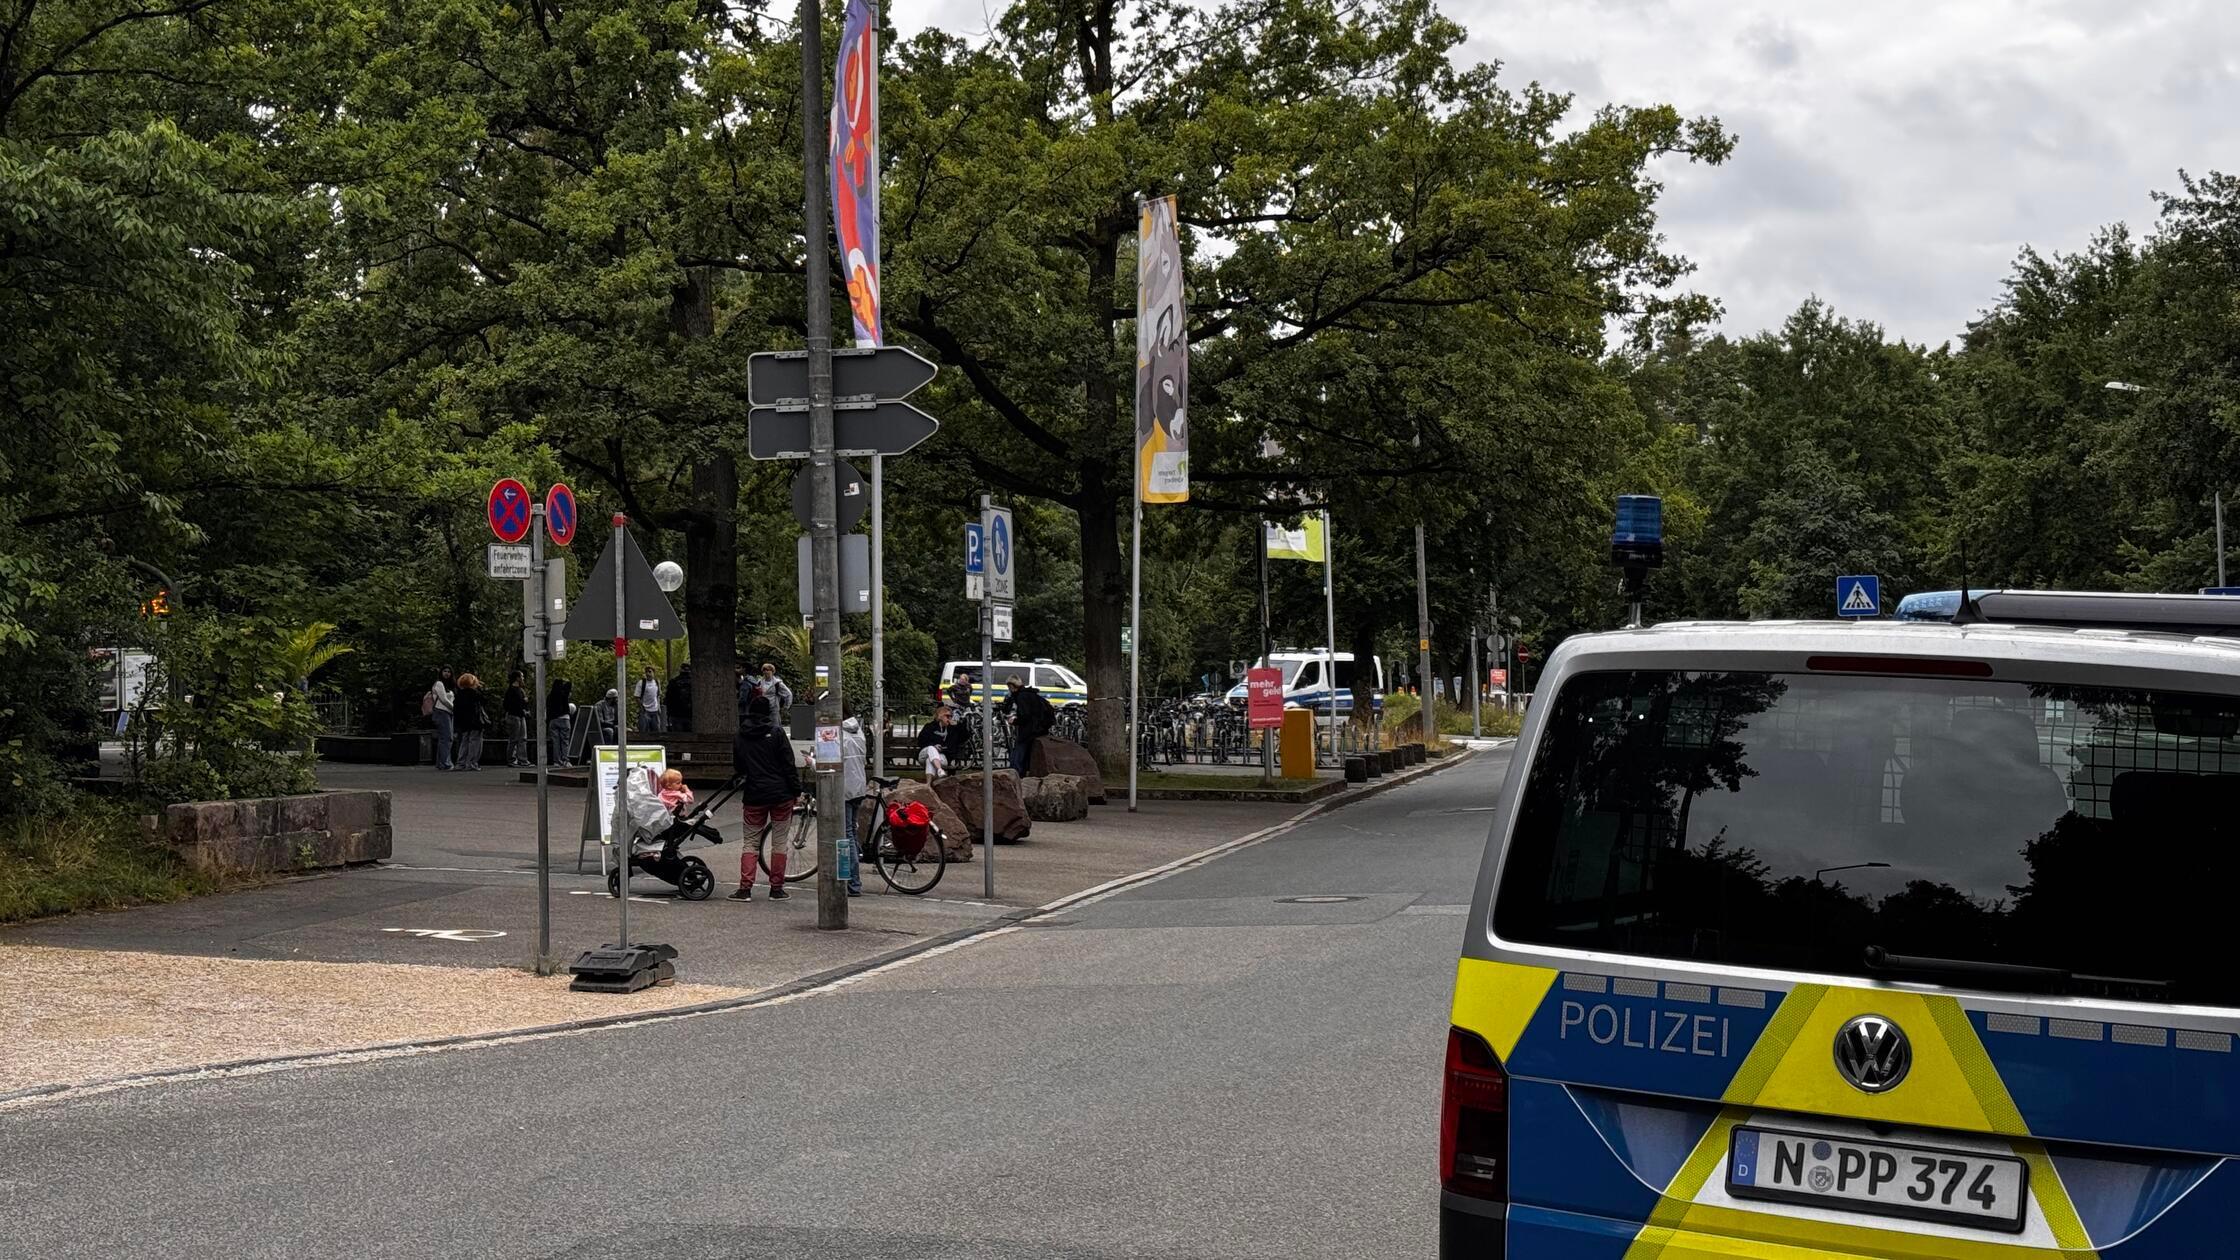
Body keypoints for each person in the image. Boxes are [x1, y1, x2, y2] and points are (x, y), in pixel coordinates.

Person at [729, 695, 801, 901]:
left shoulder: (741, 735)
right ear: (769, 712)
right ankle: (776, 888)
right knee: (779, 841)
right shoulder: (777, 733)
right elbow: (788, 764)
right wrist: (796, 790)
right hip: (781, 794)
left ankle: (745, 888)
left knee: (750, 842)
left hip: (754, 794)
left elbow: (739, 767)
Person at [999, 673, 1055, 774]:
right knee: (1026, 751)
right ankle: (1023, 771)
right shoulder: (1030, 694)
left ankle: (1016, 773)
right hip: (1039, 728)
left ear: (1012, 686)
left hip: (1030, 729)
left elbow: (1025, 715)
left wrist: (1015, 721)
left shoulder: (1021, 697)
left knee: (1019, 752)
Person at [839, 715, 867, 896]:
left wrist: (812, 763)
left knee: (846, 834)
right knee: (852, 832)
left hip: (845, 789)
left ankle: (853, 882)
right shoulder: (858, 732)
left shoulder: (839, 735)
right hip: (858, 786)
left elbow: (829, 762)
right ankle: (852, 878)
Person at [915, 703, 968, 779]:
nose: (949, 718)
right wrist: (934, 745)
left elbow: (965, 737)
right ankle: (939, 769)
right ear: (940, 716)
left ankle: (929, 784)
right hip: (924, 753)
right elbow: (921, 741)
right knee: (931, 748)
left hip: (942, 756)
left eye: (951, 716)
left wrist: (958, 725)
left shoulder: (953, 729)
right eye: (947, 716)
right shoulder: (929, 727)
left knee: (929, 761)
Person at [453, 673, 488, 771]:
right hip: (475, 721)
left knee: (464, 741)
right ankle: (472, 763)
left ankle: (461, 763)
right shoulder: (475, 693)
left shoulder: (459, 694)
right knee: (474, 742)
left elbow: (456, 710)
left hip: (464, 722)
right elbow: (484, 701)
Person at [426, 667, 456, 771]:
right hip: (441, 711)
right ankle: (445, 763)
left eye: (449, 672)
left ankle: (441, 762)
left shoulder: (449, 686)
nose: (447, 673)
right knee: (447, 737)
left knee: (444, 738)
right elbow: (443, 699)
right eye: (445, 671)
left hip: (448, 713)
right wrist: (454, 708)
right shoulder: (439, 684)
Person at [751, 663, 793, 730]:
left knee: (775, 728)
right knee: (763, 728)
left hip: (773, 709)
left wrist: (786, 707)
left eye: (768, 670)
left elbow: (788, 694)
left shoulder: (777, 683)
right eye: (764, 670)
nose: (766, 672)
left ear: (772, 671)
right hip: (762, 709)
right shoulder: (759, 682)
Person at [503, 671, 530, 767]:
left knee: (522, 738)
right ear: (517, 678)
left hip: (521, 716)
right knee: (514, 739)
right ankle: (512, 759)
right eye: (522, 676)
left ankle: (522, 760)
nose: (523, 678)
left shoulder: (521, 690)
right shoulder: (511, 691)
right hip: (514, 716)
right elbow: (507, 705)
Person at [545, 678, 574, 766]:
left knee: (556, 742)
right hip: (564, 719)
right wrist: (565, 680)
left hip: (553, 721)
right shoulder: (563, 694)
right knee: (565, 741)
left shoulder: (550, 696)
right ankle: (565, 759)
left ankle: (556, 761)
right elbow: (569, 685)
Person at [665, 662, 694, 733]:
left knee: (677, 737)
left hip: (676, 714)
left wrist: (669, 714)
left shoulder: (673, 682)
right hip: (690, 715)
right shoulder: (694, 682)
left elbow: (668, 699)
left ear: (680, 670)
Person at [637, 667, 663, 733]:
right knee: (644, 732)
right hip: (645, 711)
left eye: (650, 672)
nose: (648, 674)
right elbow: (637, 697)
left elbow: (658, 695)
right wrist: (642, 708)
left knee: (656, 732)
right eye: (646, 672)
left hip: (655, 711)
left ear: (654, 673)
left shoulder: (657, 682)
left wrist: (658, 706)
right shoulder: (641, 683)